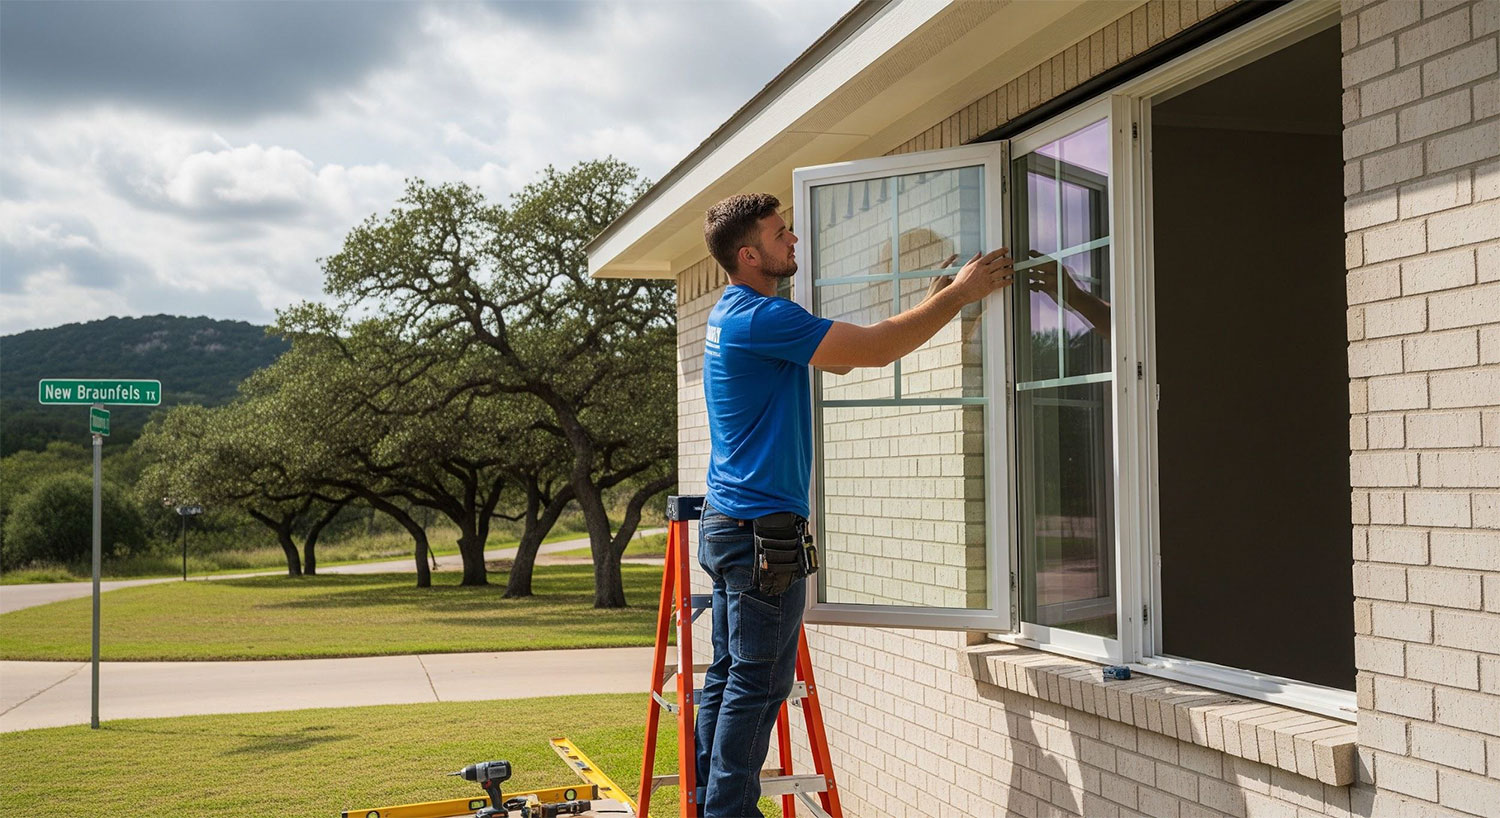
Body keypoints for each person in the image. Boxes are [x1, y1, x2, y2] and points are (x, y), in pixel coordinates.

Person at [695, 192, 1014, 817]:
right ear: (748, 253)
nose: (793, 241)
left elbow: (841, 363)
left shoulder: (734, 314)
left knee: (729, 677)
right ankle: (727, 812)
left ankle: (713, 803)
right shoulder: (762, 319)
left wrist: (932, 300)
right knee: (756, 686)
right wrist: (959, 295)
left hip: (731, 522)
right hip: (760, 530)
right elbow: (872, 350)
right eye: (781, 234)